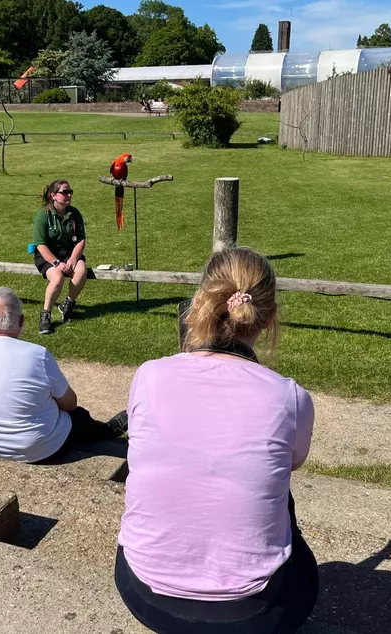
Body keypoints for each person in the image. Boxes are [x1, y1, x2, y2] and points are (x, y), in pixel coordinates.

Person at [116, 247, 319, 633]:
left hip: (142, 591)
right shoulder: (289, 397)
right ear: (269, 319)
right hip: (253, 613)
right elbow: (293, 462)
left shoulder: (149, 375)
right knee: (282, 499)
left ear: (201, 302)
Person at [0, 287, 125, 463]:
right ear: (21, 322)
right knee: (78, 416)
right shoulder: (37, 355)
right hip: (40, 450)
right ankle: (108, 431)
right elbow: (70, 403)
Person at [33, 179, 87, 335]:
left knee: (81, 271)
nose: (68, 195)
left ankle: (68, 305)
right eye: (64, 192)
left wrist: (74, 259)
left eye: (70, 192)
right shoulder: (42, 215)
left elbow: (81, 240)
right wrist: (56, 263)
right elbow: (40, 245)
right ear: (53, 195)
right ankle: (45, 315)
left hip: (69, 254)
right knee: (57, 278)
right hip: (47, 255)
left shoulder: (74, 213)